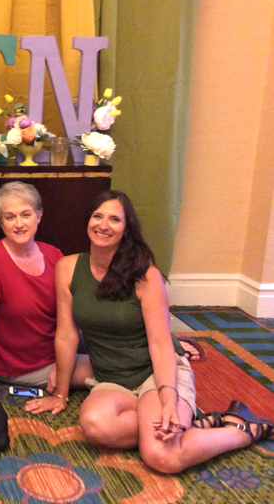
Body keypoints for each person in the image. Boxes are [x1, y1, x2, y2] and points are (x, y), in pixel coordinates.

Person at [30, 190, 273, 473]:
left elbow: (160, 345)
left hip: (153, 375)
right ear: (87, 221)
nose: (103, 225)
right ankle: (187, 424)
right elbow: (67, 335)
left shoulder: (145, 274)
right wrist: (60, 394)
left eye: (114, 219)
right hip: (111, 378)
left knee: (162, 457)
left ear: (126, 230)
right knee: (95, 426)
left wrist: (168, 399)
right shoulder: (68, 267)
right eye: (97, 216)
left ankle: (242, 428)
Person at [0, 182, 92, 390]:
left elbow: (68, 315)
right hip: (20, 365)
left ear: (39, 216)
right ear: (0, 222)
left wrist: (63, 361)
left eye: (26, 214)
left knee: (117, 348)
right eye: (10, 217)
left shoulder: (54, 255)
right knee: (110, 368)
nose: (19, 224)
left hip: (58, 346)